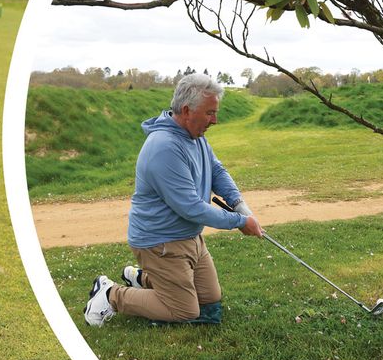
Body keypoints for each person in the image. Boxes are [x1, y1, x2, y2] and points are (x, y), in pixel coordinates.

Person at [84, 73, 263, 327]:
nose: (215, 120)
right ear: (188, 110)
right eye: (210, 113)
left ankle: (144, 280)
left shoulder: (196, 136)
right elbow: (191, 207)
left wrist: (240, 205)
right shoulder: (164, 147)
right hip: (161, 242)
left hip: (190, 239)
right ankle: (110, 294)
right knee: (184, 311)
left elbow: (217, 172)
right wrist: (239, 221)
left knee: (210, 299)